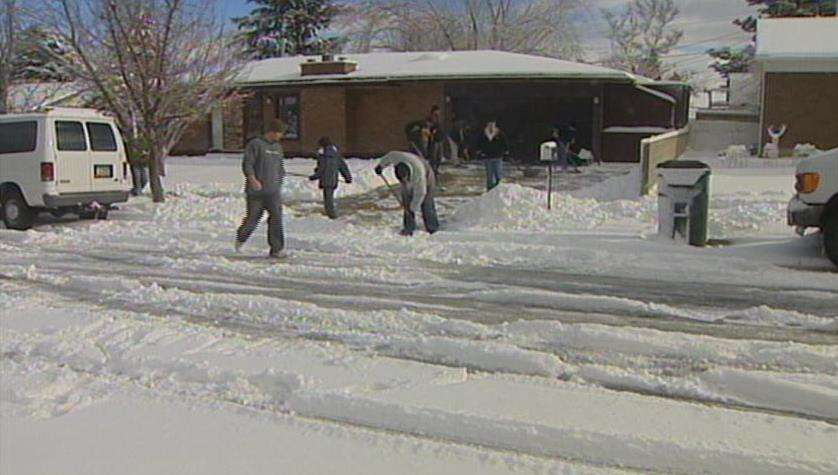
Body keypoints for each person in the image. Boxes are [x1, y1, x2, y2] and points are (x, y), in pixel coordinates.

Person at [235, 119, 287, 259]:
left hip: (273, 191)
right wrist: (252, 179)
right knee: (253, 218)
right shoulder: (256, 144)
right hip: (256, 191)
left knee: (276, 217)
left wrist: (280, 179)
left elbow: (280, 166)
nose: (281, 136)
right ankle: (241, 237)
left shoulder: (278, 147)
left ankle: (276, 249)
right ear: (272, 132)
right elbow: (248, 164)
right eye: (279, 133)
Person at [374, 151, 439, 236]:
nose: (403, 183)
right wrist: (380, 166)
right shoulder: (397, 158)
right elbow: (389, 156)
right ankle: (409, 227)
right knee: (406, 201)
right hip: (412, 164)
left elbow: (421, 193)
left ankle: (432, 227)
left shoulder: (418, 174)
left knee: (426, 202)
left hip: (427, 174)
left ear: (408, 174)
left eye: (405, 180)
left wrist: (413, 208)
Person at [309, 137, 352, 219]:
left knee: (328, 200)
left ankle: (332, 215)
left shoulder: (323, 156)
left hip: (326, 180)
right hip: (333, 179)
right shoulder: (336, 155)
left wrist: (314, 176)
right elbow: (343, 167)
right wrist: (348, 177)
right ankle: (331, 214)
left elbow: (322, 169)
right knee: (330, 198)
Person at [476, 120, 509, 191]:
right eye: (489, 124)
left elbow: (504, 142)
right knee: (489, 174)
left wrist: (505, 150)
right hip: (487, 156)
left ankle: (498, 187)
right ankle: (490, 189)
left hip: (498, 156)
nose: (491, 126)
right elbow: (479, 143)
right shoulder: (484, 134)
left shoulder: (499, 133)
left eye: (492, 124)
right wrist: (480, 151)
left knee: (498, 173)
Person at [425, 105, 445, 175]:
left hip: (440, 139)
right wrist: (432, 131)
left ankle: (436, 169)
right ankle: (432, 170)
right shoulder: (430, 119)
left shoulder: (438, 119)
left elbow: (440, 127)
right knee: (433, 156)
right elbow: (428, 127)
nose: (438, 113)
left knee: (439, 156)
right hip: (434, 140)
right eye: (437, 112)